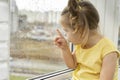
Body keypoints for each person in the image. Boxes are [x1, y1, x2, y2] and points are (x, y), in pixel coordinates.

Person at [54, 0, 120, 80]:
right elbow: (72, 65)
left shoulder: (108, 51)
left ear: (80, 30)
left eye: (66, 31)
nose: (65, 35)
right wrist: (64, 48)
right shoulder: (81, 45)